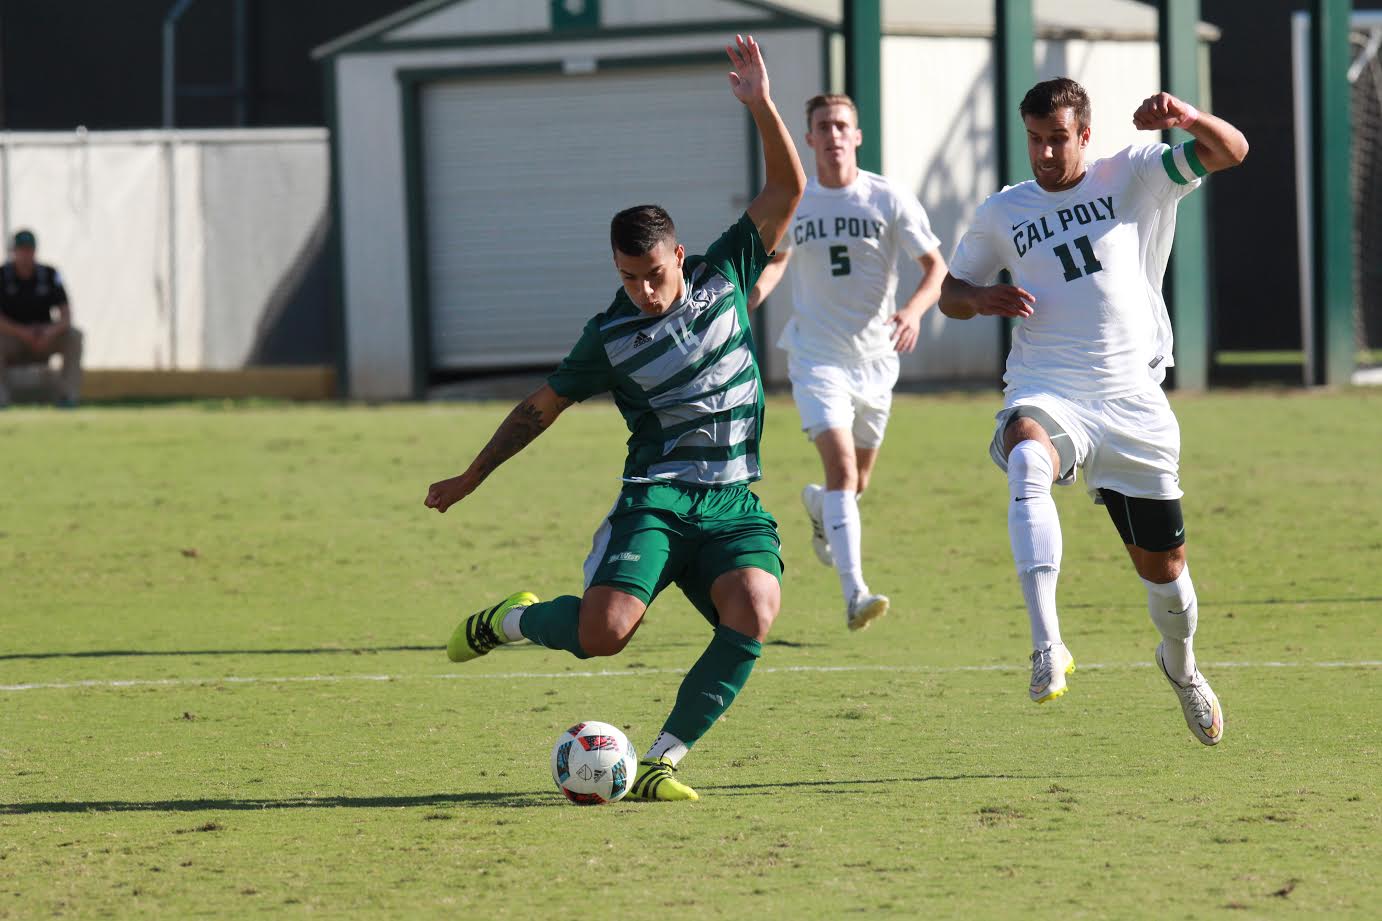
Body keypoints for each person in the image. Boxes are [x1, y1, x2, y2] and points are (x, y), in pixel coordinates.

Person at [423, 35, 805, 801]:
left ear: (679, 255)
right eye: (629, 279)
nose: (645, 293)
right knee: (603, 636)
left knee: (757, 607)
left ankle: (663, 757)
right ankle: (513, 620)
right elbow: (539, 409)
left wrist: (760, 103)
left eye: (654, 275)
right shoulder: (610, 335)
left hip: (731, 499)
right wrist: (471, 475)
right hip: (656, 498)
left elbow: (787, 189)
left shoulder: (724, 268)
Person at [938, 78, 1248, 745]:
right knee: (1026, 457)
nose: (1046, 154)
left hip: (1132, 403)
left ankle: (1181, 664)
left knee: (1166, 580)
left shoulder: (1134, 174)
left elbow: (1233, 151)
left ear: (1084, 134)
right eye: (1034, 140)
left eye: (1058, 139)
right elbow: (950, 292)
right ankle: (1049, 642)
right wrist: (978, 300)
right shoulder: (1002, 211)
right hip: (1048, 386)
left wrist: (1189, 116)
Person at [748, 93, 947, 631]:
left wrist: (912, 311)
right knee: (840, 472)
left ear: (856, 136)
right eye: (822, 127)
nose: (833, 134)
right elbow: (776, 262)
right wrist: (750, 299)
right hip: (816, 358)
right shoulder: (798, 201)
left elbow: (935, 268)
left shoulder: (888, 198)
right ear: (809, 139)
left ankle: (820, 510)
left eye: (841, 125)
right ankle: (856, 592)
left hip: (877, 359)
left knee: (854, 485)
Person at [0, 229, 83, 407]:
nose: (25, 254)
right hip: (13, 337)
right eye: (21, 250)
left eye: (29, 249)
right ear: (13, 252)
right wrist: (23, 333)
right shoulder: (2, 275)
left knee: (74, 336)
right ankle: (1, 396)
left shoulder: (50, 274)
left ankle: (68, 395)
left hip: (44, 337)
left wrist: (49, 333)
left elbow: (66, 315)